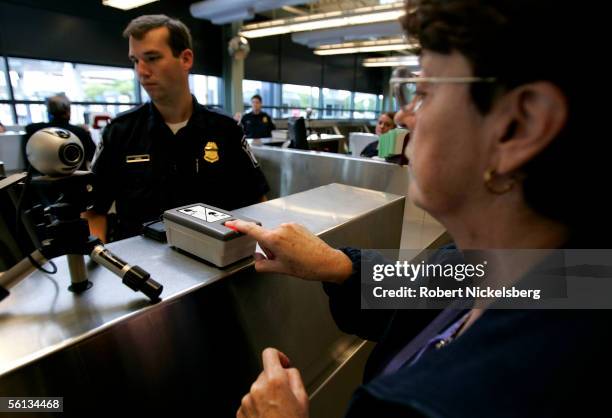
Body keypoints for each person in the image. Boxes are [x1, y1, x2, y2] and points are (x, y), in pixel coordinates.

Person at [226, 0, 611, 416]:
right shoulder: (572, 273)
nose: (406, 117)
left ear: (519, 127)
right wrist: (337, 264)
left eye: (424, 92)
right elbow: (433, 287)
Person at [86, 15, 269, 242]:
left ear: (185, 59)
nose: (141, 71)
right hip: (138, 267)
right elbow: (94, 211)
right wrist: (102, 263)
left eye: (152, 58)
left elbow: (257, 199)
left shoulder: (225, 129)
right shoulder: (119, 132)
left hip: (213, 260)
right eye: (135, 60)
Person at [23, 94, 96, 172]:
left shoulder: (34, 131)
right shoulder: (80, 132)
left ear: (49, 110)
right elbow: (94, 156)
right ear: (67, 111)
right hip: (75, 179)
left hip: (40, 179)